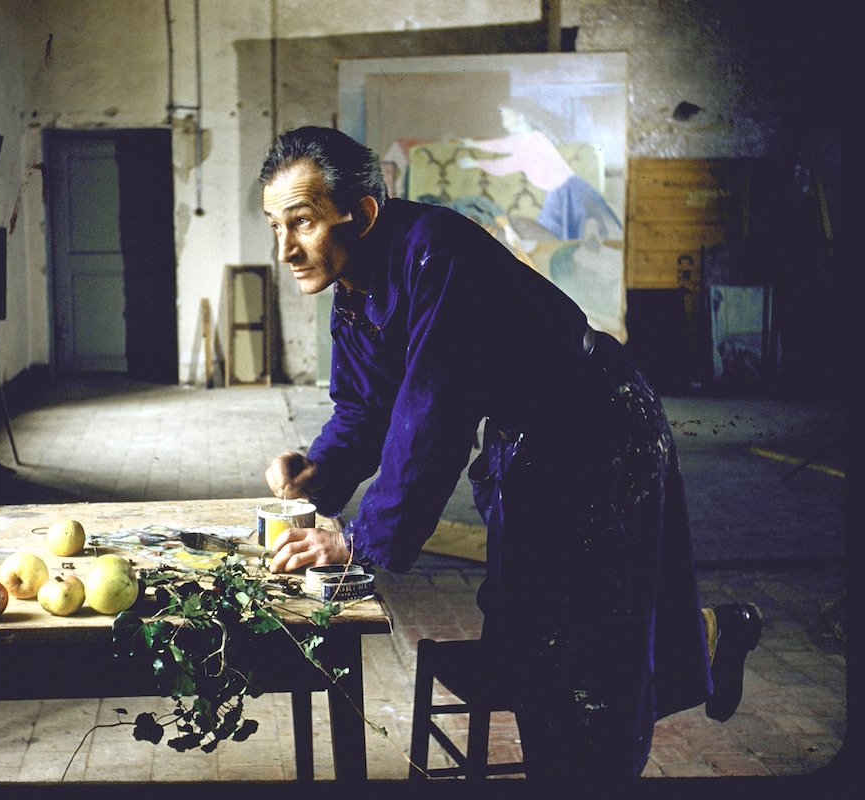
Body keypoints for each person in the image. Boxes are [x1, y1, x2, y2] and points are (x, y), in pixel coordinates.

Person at [258, 126, 760, 778]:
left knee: (581, 647)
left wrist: (357, 540)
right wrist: (316, 472)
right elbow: (364, 406)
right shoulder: (354, 284)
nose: (286, 249)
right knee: (528, 627)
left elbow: (430, 419)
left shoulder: (436, 255)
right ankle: (707, 639)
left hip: (598, 428)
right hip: (530, 439)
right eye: (275, 227)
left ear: (365, 213)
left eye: (301, 223)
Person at [456, 96, 623, 241]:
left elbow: (506, 165)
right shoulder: (521, 139)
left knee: (575, 234)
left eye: (506, 115)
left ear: (520, 117)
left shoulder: (535, 140)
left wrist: (476, 163)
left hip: (569, 193)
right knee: (548, 233)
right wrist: (474, 144)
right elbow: (501, 145)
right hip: (556, 194)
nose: (503, 120)